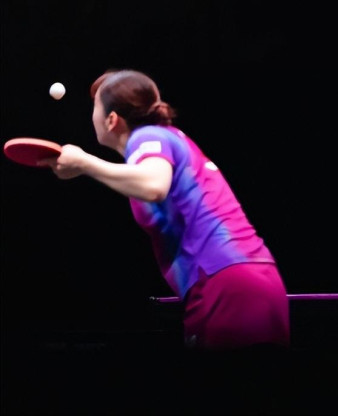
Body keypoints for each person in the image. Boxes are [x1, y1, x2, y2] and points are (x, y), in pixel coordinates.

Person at [40, 69, 290, 351]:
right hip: (251, 280)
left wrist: (85, 163)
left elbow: (153, 185)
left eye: (95, 106)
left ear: (111, 120)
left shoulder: (147, 137)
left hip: (227, 285)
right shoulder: (166, 140)